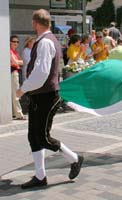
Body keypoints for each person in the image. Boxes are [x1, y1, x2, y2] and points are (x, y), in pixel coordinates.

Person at [16, 9, 84, 189]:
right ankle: (40, 176)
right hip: (40, 96)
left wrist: (22, 89)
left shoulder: (45, 42)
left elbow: (41, 73)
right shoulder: (44, 40)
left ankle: (75, 158)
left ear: (35, 23)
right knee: (34, 137)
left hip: (46, 96)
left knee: (43, 138)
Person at [10, 35, 25, 120]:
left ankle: (14, 113)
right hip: (13, 73)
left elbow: (21, 62)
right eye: (14, 41)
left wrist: (18, 62)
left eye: (17, 42)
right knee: (16, 93)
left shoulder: (15, 52)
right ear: (10, 42)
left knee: (14, 93)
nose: (16, 43)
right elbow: (16, 62)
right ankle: (19, 114)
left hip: (15, 73)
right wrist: (19, 62)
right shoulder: (10, 51)